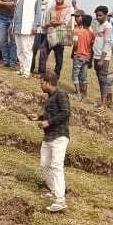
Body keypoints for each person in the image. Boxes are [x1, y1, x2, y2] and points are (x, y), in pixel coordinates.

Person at [37, 71, 70, 213]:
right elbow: (49, 114)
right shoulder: (50, 97)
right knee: (44, 165)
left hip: (59, 136)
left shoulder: (61, 94)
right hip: (49, 137)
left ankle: (60, 200)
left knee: (56, 166)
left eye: (41, 83)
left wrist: (48, 122)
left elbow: (65, 112)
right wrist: (38, 117)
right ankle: (54, 190)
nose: (40, 86)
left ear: (48, 82)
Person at [12, 0, 40, 78]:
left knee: (27, 50)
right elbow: (16, 14)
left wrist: (35, 26)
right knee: (19, 50)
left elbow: (38, 13)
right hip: (18, 28)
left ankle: (27, 72)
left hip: (28, 29)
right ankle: (22, 69)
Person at [40, 0, 72, 76]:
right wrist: (54, 23)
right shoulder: (51, 9)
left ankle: (56, 75)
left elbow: (66, 22)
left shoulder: (68, 10)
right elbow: (47, 23)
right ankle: (42, 73)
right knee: (43, 52)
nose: (58, 1)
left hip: (60, 35)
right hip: (50, 35)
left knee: (58, 58)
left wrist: (54, 23)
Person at [92, 6, 113, 106]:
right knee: (100, 79)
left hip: (103, 58)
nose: (98, 17)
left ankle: (104, 102)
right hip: (96, 56)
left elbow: (107, 43)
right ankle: (103, 100)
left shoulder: (108, 27)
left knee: (103, 79)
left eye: (100, 15)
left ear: (106, 15)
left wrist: (101, 59)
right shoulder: (98, 25)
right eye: (97, 15)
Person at [71, 14, 94, 101]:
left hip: (78, 55)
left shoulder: (78, 32)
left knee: (75, 76)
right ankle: (85, 95)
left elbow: (75, 44)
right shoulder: (92, 34)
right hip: (87, 57)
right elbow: (92, 45)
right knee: (84, 77)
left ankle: (78, 94)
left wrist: (73, 52)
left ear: (82, 22)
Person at [31, 0, 50, 74]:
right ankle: (30, 68)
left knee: (43, 52)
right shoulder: (35, 1)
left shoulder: (50, 3)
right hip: (37, 30)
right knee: (33, 50)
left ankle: (41, 71)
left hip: (45, 31)